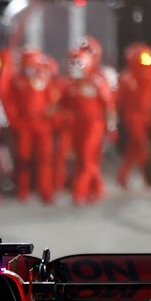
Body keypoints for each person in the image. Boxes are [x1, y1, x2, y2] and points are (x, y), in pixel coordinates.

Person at [60, 36, 114, 204]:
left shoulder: (98, 79)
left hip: (94, 124)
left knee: (85, 157)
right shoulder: (70, 84)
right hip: (77, 125)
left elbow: (109, 106)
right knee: (82, 158)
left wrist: (111, 128)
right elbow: (63, 105)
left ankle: (79, 192)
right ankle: (97, 188)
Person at [5, 48, 59, 203]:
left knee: (45, 158)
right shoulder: (16, 80)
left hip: (42, 123)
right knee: (23, 157)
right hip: (24, 124)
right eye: (27, 64)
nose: (30, 68)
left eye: (32, 64)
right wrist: (14, 122)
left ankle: (45, 191)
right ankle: (23, 189)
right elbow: (10, 104)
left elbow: (53, 100)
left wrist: (52, 119)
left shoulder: (44, 78)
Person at [115, 43, 151, 190]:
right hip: (133, 115)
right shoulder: (127, 78)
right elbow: (119, 99)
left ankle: (122, 177)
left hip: (147, 115)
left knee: (134, 148)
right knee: (142, 145)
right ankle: (148, 178)